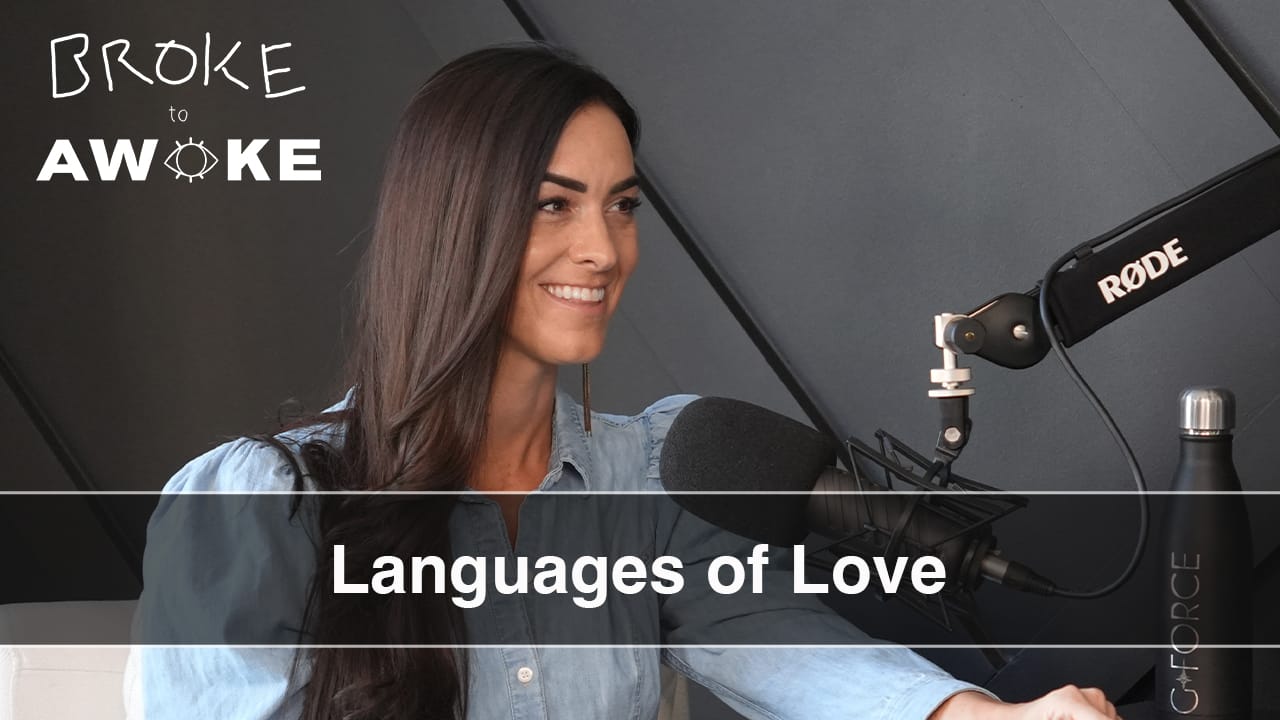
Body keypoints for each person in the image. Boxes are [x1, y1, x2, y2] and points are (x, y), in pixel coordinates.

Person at [126, 42, 1123, 720]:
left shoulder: (650, 479)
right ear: (452, 223)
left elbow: (785, 648)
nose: (603, 250)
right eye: (552, 205)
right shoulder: (261, 505)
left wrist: (976, 715)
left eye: (622, 205)